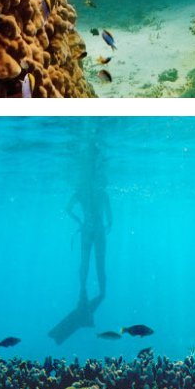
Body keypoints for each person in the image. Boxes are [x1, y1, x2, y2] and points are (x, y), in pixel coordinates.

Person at [47, 140, 112, 344]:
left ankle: (82, 298)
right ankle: (92, 300)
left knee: (85, 264)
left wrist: (80, 221)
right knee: (99, 265)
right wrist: (105, 226)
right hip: (99, 230)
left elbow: (67, 209)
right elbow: (111, 219)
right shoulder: (103, 192)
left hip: (86, 228)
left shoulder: (80, 191)